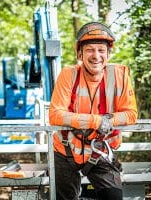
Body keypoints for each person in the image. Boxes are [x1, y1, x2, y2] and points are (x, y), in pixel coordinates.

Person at [49, 22, 138, 200]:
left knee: (113, 197)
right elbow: (55, 115)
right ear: (80, 53)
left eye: (101, 50)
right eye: (90, 50)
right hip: (65, 152)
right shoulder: (69, 74)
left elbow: (131, 114)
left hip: (100, 152)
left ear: (108, 54)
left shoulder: (119, 75)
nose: (96, 55)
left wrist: (108, 120)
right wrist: (98, 121)